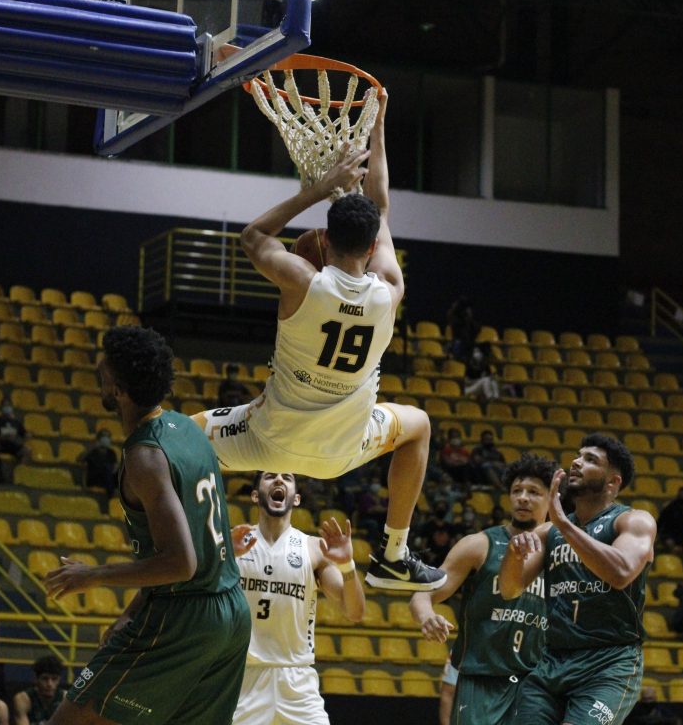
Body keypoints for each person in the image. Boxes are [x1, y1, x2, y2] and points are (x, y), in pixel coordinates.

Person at [194, 91, 443, 592]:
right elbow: (381, 206)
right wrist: (377, 127)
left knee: (180, 439)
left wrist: (318, 190)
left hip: (268, 440)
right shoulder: (390, 290)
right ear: (372, 247)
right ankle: (394, 555)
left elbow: (253, 236)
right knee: (418, 426)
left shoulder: (302, 281)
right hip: (343, 451)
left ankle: (200, 552)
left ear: (323, 241)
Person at [43, 325, 252, 725]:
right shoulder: (186, 427)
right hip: (230, 611)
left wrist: (94, 575)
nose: (99, 369)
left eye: (104, 370)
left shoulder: (145, 456)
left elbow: (181, 563)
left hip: (184, 618)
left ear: (119, 390)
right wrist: (131, 611)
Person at [500, 434, 656, 725]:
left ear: (613, 482)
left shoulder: (633, 520)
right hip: (553, 661)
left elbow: (621, 573)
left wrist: (563, 524)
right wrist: (513, 555)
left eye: (590, 460)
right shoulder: (549, 532)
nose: (576, 462)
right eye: (578, 455)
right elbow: (509, 589)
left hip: (609, 662)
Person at [409, 454, 557, 725]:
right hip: (481, 679)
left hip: (535, 683)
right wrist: (426, 616)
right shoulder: (479, 544)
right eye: (517, 491)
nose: (523, 498)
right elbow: (423, 593)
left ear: (552, 498)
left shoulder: (558, 550)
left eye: (533, 492)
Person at [232, 470, 364, 725]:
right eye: (270, 476)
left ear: (297, 499)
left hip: (297, 679)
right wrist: (222, 556)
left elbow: (354, 612)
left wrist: (347, 565)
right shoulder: (234, 542)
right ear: (255, 495)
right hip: (244, 677)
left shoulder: (314, 549)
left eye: (287, 477)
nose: (279, 480)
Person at [0, 397, 31, 482]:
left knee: (27, 450)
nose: (7, 408)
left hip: (13, 445)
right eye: (5, 406)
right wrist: (4, 437)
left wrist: (20, 439)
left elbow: (25, 435)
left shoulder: (16, 422)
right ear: (1, 408)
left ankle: (20, 474)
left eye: (9, 405)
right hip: (1, 445)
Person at [12, 655, 66, 725]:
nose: (49, 684)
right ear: (36, 679)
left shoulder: (66, 699)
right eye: (45, 678)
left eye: (54, 679)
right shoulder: (24, 700)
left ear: (59, 680)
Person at [655, 487, 683, 556]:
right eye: (682, 495)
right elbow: (660, 521)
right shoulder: (670, 507)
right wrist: (657, 535)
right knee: (670, 544)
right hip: (669, 535)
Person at [78, 430, 118, 498]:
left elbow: (115, 466)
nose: (106, 439)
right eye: (104, 436)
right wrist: (91, 448)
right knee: (106, 468)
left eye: (108, 437)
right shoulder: (92, 451)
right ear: (99, 439)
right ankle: (112, 493)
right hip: (94, 478)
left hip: (108, 478)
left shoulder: (111, 452)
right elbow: (79, 459)